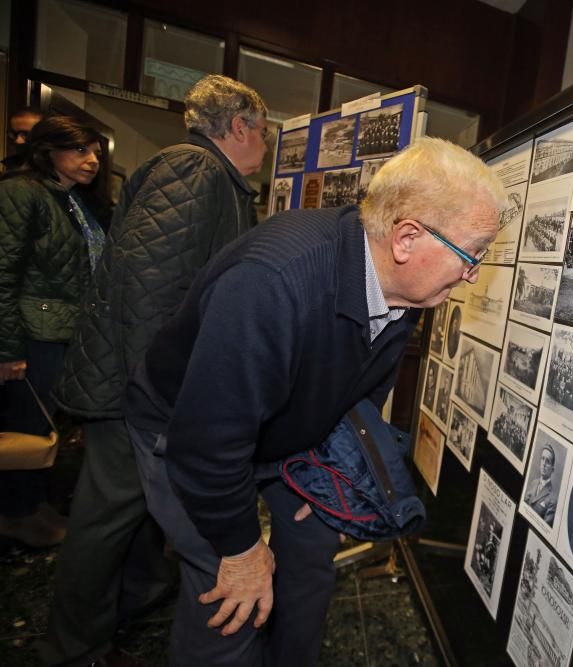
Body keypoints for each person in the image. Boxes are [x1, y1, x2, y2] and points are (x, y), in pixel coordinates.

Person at [124, 136, 505, 665]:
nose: (473, 274)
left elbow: (361, 389)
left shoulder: (408, 287)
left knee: (311, 555)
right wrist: (241, 551)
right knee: (231, 594)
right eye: (472, 254)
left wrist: (325, 465)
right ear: (407, 238)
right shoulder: (273, 282)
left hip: (283, 429)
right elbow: (208, 444)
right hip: (186, 434)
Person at [39, 75, 268, 667]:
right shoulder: (196, 171)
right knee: (104, 517)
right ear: (240, 127)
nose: (265, 146)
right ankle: (75, 648)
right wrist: (156, 391)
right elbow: (147, 288)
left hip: (133, 380)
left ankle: (138, 594)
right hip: (132, 387)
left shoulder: (205, 175)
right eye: (264, 133)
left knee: (130, 508)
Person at [0, 115, 112, 547]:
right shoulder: (20, 192)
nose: (91, 161)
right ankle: (16, 514)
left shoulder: (71, 199)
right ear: (49, 151)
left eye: (96, 153)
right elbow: (4, 273)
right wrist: (7, 348)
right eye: (80, 150)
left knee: (42, 427)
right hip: (32, 332)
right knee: (26, 426)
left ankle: (32, 504)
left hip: (60, 330)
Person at [2, 106, 45, 173]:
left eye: (26, 134)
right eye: (14, 134)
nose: (17, 141)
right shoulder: (8, 167)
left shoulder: (60, 170)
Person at [524, 444, 557, 526]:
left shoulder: (553, 499)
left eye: (548, 461)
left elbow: (544, 526)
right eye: (542, 459)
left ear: (552, 469)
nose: (544, 464)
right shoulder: (533, 483)